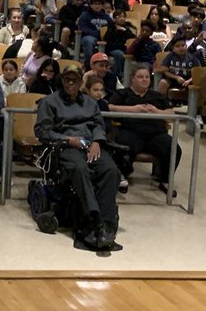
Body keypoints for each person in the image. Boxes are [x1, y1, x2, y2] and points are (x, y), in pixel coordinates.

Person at [34, 65, 121, 251]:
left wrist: (97, 142)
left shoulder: (90, 103)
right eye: (67, 79)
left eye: (75, 79)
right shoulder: (50, 102)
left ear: (81, 81)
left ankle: (107, 224)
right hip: (66, 146)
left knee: (110, 169)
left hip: (90, 144)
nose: (71, 83)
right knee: (80, 168)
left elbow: (99, 125)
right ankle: (92, 220)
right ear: (62, 80)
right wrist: (68, 139)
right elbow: (42, 131)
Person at [108, 64, 181, 194]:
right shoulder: (122, 93)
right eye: (140, 77)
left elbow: (171, 113)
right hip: (132, 131)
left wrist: (156, 111)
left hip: (155, 134)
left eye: (147, 77)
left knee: (174, 148)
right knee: (122, 145)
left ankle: (165, 180)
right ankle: (122, 175)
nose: (144, 79)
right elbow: (111, 107)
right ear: (132, 79)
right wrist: (133, 109)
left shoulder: (156, 95)